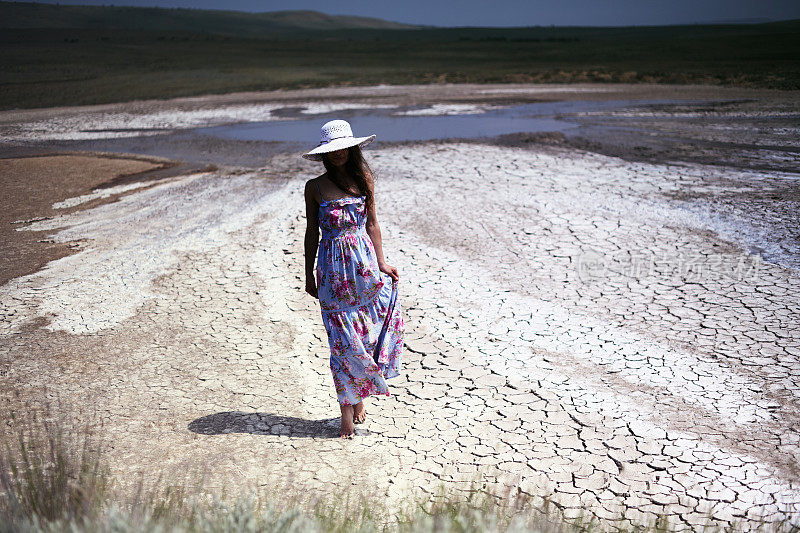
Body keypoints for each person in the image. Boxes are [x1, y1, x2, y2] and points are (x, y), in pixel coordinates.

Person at [302, 119, 404, 438]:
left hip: (363, 266)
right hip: (332, 270)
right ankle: (346, 410)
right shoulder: (314, 187)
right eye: (332, 151)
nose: (338, 155)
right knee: (341, 342)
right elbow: (310, 234)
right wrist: (308, 274)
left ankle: (359, 393)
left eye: (343, 148)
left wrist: (383, 264)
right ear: (324, 154)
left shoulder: (365, 180)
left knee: (365, 334)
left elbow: (372, 224)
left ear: (352, 148)